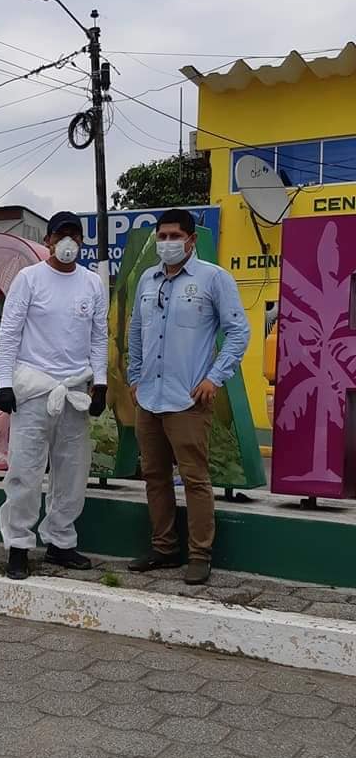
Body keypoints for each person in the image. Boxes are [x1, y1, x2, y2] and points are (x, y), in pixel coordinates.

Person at [127, 209, 250, 585]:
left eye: (174, 236)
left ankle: (200, 554)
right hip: (149, 397)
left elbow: (238, 332)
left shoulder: (213, 278)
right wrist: (134, 376)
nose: (167, 243)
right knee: (154, 476)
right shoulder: (147, 280)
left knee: (195, 479)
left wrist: (215, 377)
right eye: (162, 236)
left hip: (189, 399)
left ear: (191, 239)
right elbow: (136, 330)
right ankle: (164, 548)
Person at [0, 211, 108, 581]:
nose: (68, 241)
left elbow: (98, 337)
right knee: (25, 469)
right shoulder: (29, 279)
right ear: (48, 240)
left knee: (72, 471)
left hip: (75, 389)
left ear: (82, 241)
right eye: (61, 234)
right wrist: (3, 382)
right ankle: (18, 545)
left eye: (74, 234)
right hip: (33, 389)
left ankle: (60, 541)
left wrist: (101, 383)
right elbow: (9, 333)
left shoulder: (92, 284)